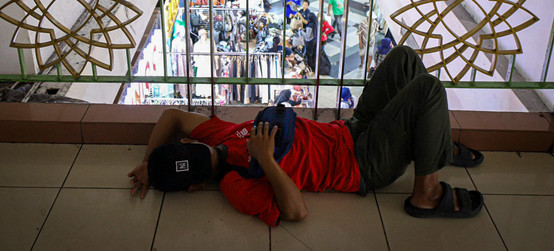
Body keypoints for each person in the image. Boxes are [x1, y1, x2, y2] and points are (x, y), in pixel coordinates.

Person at [128, 46, 484, 226]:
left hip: (351, 129)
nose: (203, 150)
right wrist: (266, 161)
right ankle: (427, 191)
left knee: (404, 59)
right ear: (195, 187)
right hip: (362, 163)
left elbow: (171, 115)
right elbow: (297, 212)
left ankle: (430, 143)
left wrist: (148, 162)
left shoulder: (215, 133)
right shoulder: (235, 184)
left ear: (190, 142)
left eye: (191, 147)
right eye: (196, 165)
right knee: (429, 90)